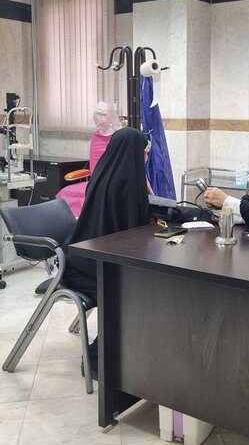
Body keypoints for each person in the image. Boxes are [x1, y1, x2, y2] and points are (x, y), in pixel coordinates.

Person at [60, 127, 151, 378]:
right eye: (144, 153)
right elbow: (133, 232)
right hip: (86, 269)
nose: (145, 158)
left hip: (85, 259)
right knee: (136, 288)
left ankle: (126, 351)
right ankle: (100, 357)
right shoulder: (126, 187)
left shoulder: (105, 174)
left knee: (139, 282)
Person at [56, 102, 123, 217]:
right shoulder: (96, 136)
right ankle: (73, 222)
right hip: (95, 181)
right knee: (65, 192)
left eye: (103, 115)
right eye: (98, 116)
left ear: (111, 116)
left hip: (112, 182)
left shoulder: (121, 136)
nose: (101, 120)